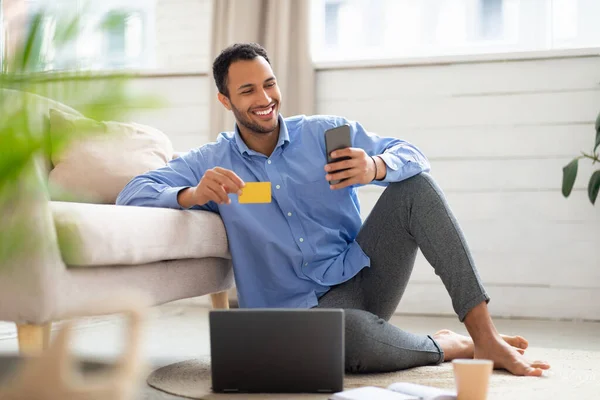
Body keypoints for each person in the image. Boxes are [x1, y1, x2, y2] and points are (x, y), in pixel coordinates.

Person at [116, 43, 550, 376]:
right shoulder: (210, 161)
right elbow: (132, 193)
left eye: (269, 83)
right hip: (293, 318)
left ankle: (484, 335)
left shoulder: (324, 132)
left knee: (415, 187)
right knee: (347, 339)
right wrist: (192, 194)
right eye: (247, 90)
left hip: (362, 277)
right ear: (226, 101)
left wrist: (376, 166)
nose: (264, 97)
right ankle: (446, 346)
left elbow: (413, 154)